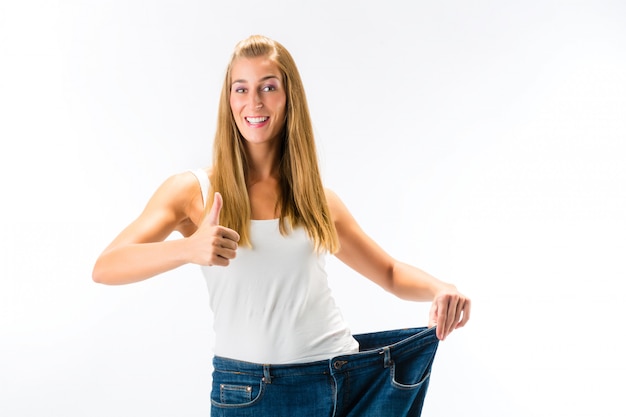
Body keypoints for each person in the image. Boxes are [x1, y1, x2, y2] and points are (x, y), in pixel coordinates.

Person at [92, 34, 470, 417]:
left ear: (289, 97)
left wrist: (442, 288)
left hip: (344, 382)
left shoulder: (316, 200)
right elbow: (107, 266)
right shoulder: (193, 191)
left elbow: (389, 272)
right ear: (229, 100)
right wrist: (187, 249)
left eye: (268, 87)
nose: (254, 102)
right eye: (241, 89)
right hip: (248, 391)